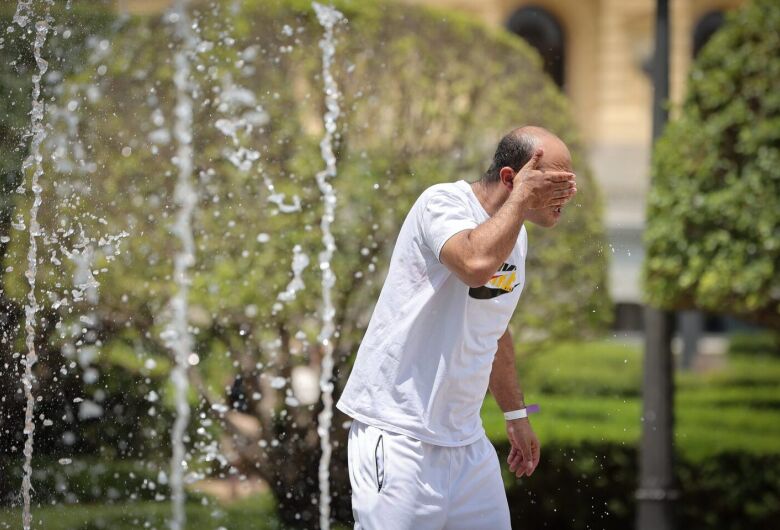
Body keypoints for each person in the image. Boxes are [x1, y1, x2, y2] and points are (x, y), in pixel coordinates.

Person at [335, 126, 578, 530]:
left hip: (466, 444)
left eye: (571, 184)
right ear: (509, 178)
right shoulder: (442, 203)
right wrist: (521, 199)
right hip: (399, 435)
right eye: (554, 182)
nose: (567, 194)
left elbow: (494, 326)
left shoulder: (515, 238)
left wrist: (516, 414)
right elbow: (473, 265)